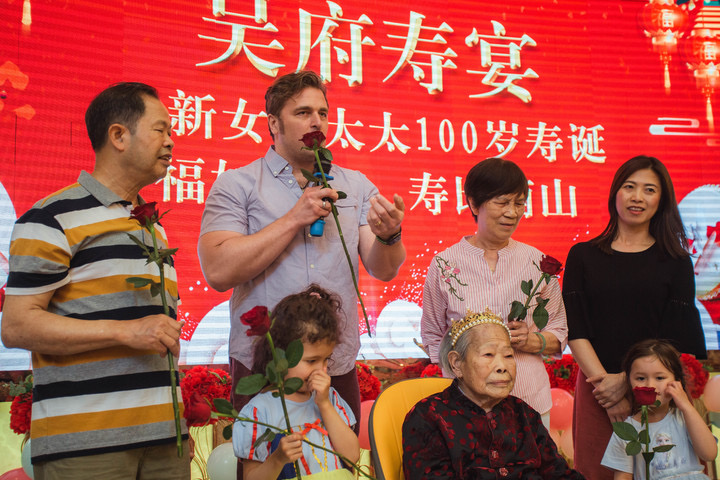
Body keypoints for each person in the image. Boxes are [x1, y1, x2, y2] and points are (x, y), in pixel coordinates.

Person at [0, 83, 189, 478]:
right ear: (118, 135)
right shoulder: (51, 218)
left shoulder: (152, 226)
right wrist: (125, 331)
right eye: (161, 130)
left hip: (165, 442)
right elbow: (17, 326)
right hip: (87, 446)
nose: (171, 142)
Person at [198, 70, 406, 425]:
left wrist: (389, 235)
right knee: (266, 456)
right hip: (265, 366)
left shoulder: (355, 185)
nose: (317, 122)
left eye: (323, 113)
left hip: (333, 363)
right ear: (273, 123)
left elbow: (383, 269)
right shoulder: (238, 184)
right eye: (303, 112)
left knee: (338, 458)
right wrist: (294, 218)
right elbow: (218, 271)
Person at [563, 155, 707, 480]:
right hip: (597, 388)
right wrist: (606, 387)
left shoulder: (676, 261)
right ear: (615, 192)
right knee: (597, 472)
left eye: (649, 189)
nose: (637, 197)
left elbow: (676, 335)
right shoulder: (583, 255)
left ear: (662, 200)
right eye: (629, 187)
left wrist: (628, 381)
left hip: (657, 391)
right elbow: (576, 328)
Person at [421, 157, 567, 427]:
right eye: (502, 202)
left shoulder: (537, 262)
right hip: (466, 408)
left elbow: (559, 332)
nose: (512, 212)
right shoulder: (444, 264)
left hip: (529, 400)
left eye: (519, 203)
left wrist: (532, 341)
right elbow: (432, 335)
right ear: (474, 204)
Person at [403, 309, 584, 479]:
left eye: (508, 356)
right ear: (456, 363)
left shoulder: (523, 413)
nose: (502, 366)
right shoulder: (429, 417)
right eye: (488, 354)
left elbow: (558, 473)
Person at [233, 285, 360, 479]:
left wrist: (325, 405)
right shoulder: (259, 412)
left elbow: (352, 457)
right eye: (311, 361)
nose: (321, 369)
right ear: (281, 355)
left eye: (326, 359)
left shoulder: (332, 399)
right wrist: (277, 460)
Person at [601, 339, 717, 479]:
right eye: (641, 378)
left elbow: (709, 454)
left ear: (677, 381)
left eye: (660, 378)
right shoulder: (627, 430)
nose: (650, 385)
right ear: (629, 382)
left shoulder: (684, 417)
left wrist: (686, 406)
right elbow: (623, 476)